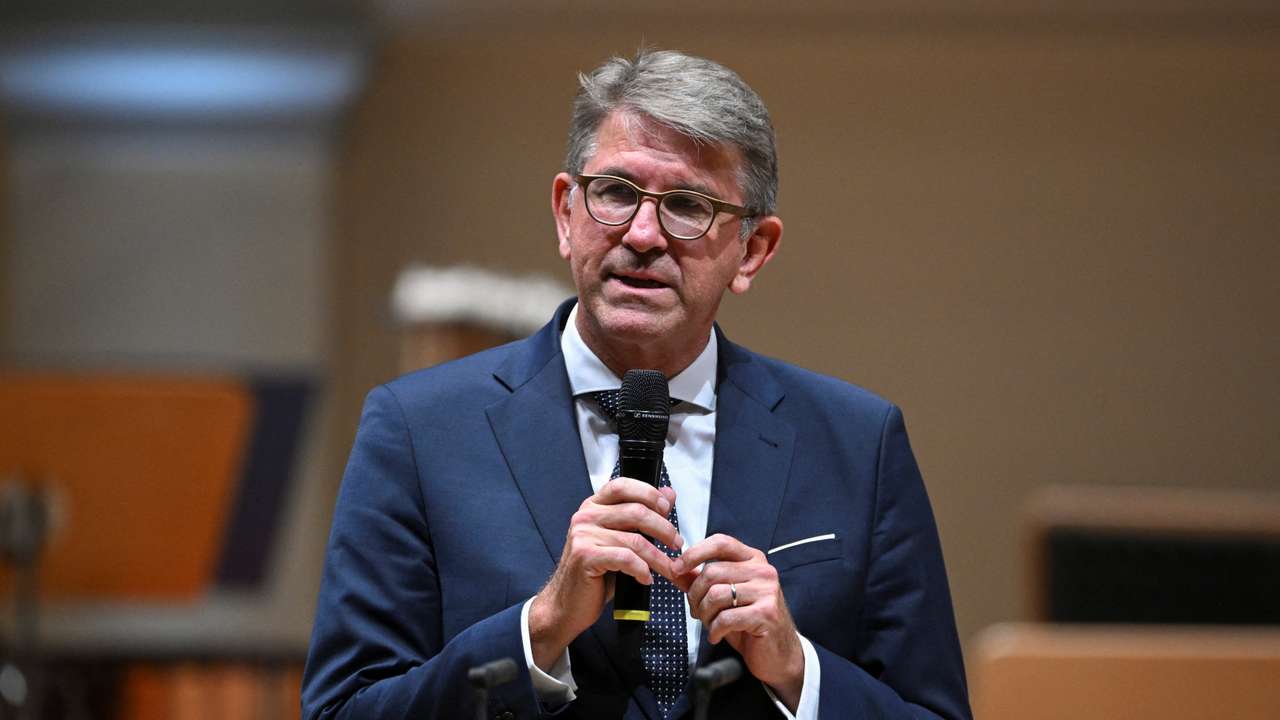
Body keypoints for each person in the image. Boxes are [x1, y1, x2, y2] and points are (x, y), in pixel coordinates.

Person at [302, 49, 970, 720]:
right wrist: (536, 632)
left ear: (753, 250)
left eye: (687, 205)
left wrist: (797, 672)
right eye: (617, 193)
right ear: (567, 214)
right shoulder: (418, 431)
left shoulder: (858, 445)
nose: (643, 235)